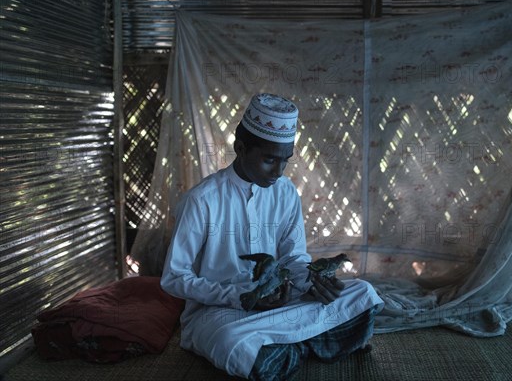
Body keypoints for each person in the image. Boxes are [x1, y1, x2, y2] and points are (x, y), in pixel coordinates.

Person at [160, 93, 384, 380]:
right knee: (233, 343)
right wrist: (239, 297)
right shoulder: (202, 200)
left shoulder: (286, 192)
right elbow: (174, 278)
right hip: (222, 313)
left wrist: (312, 281)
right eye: (269, 160)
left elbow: (294, 258)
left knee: (363, 293)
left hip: (282, 303)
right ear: (240, 148)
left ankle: (285, 347)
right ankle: (304, 341)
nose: (278, 171)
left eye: (285, 161)